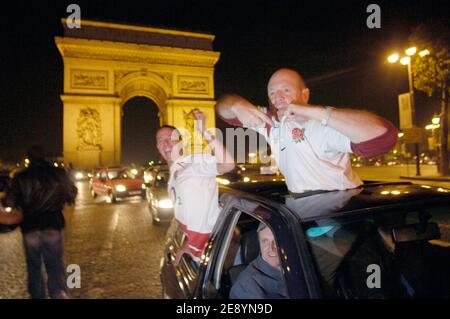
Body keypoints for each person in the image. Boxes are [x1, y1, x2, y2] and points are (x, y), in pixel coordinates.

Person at [216, 68, 398, 193]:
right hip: (304, 208)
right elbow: (223, 110)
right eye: (272, 93)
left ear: (305, 94)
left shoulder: (325, 124)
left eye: (286, 90)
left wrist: (312, 111)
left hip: (341, 208)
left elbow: (385, 137)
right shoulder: (271, 123)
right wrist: (237, 105)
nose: (278, 98)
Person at [156, 109, 234, 262]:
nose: (165, 143)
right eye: (160, 140)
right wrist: (187, 244)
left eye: (171, 138)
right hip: (197, 252)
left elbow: (228, 164)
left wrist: (204, 131)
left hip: (217, 251)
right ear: (157, 146)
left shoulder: (195, 162)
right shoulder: (173, 175)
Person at [0, 145, 77, 298]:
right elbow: (71, 194)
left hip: (30, 226)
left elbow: (9, 202)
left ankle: (37, 295)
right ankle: (58, 293)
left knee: (34, 266)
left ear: (29, 158)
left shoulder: (21, 177)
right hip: (53, 223)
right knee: (55, 264)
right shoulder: (58, 174)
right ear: (44, 156)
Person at [230, 223, 287, 299]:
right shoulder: (247, 285)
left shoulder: (301, 262)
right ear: (259, 244)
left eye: (277, 240)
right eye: (265, 241)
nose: (271, 248)